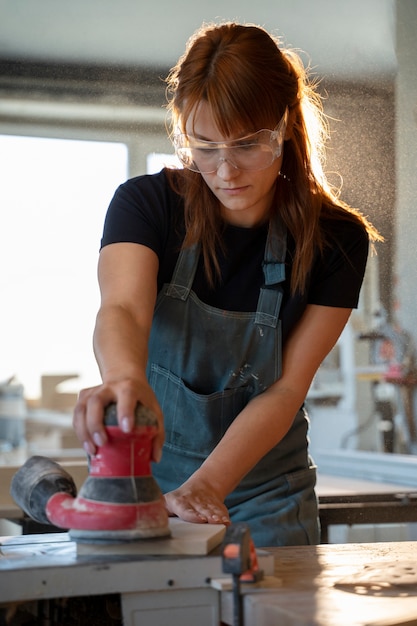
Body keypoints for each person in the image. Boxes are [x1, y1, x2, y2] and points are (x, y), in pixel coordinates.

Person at [73, 21, 382, 547]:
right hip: (149, 487)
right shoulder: (147, 206)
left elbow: (286, 390)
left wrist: (209, 486)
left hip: (268, 498)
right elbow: (122, 309)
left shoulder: (336, 239)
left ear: (284, 124)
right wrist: (124, 377)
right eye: (205, 146)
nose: (225, 170)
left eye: (246, 144)